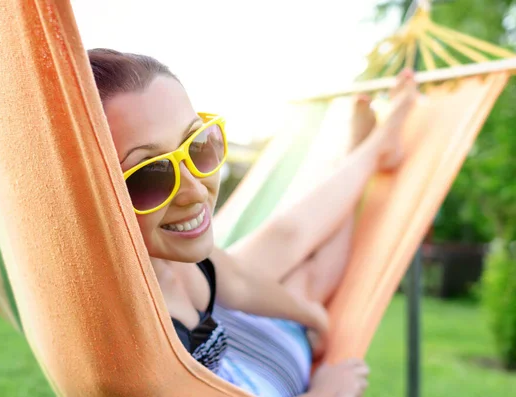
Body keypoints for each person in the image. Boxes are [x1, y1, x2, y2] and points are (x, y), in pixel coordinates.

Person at [87, 48, 418, 397]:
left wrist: (314, 318)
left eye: (198, 144)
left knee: (287, 242)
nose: (196, 190)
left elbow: (241, 283)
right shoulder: (136, 350)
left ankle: (369, 150)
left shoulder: (171, 256)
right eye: (149, 174)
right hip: (254, 380)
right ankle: (374, 149)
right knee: (307, 279)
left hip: (235, 352)